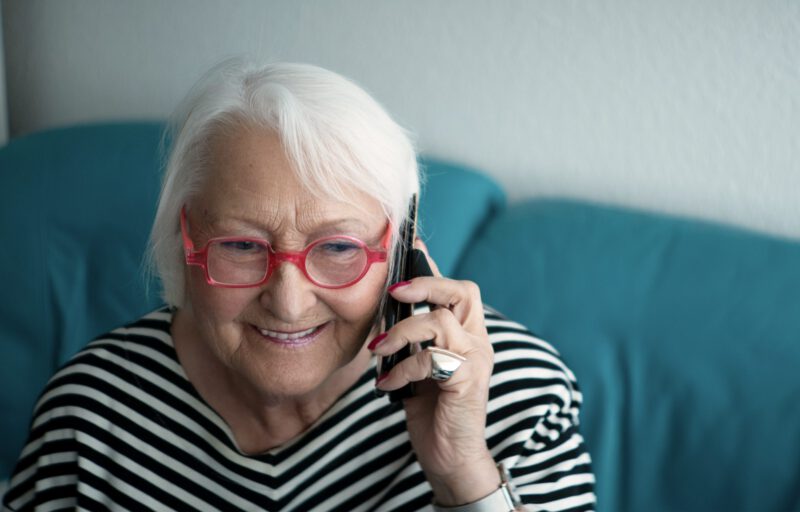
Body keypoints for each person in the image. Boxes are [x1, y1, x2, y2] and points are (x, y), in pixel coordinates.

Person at [3, 60, 596, 511]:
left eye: (338, 247)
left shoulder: (511, 393)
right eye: (240, 246)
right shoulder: (91, 411)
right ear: (186, 238)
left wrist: (462, 474)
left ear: (401, 250)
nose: (288, 302)